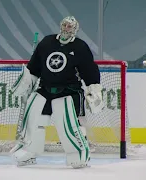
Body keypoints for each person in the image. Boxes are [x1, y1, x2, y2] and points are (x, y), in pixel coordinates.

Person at [10, 16, 103, 168]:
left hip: (69, 90)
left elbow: (89, 70)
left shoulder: (80, 47)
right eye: (65, 25)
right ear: (61, 26)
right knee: (36, 121)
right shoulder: (47, 42)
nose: (67, 28)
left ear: (75, 29)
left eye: (70, 26)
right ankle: (30, 152)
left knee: (73, 124)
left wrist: (93, 88)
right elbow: (34, 66)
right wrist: (27, 81)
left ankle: (79, 154)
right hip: (45, 89)